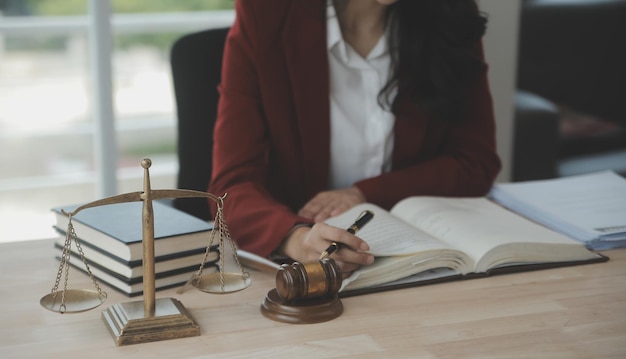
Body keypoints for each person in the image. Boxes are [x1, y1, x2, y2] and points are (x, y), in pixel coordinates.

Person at [208, 0, 501, 275]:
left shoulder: (451, 13)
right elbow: (231, 186)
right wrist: (297, 239)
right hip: (302, 277)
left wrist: (364, 194)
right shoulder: (266, 13)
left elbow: (476, 162)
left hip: (418, 266)